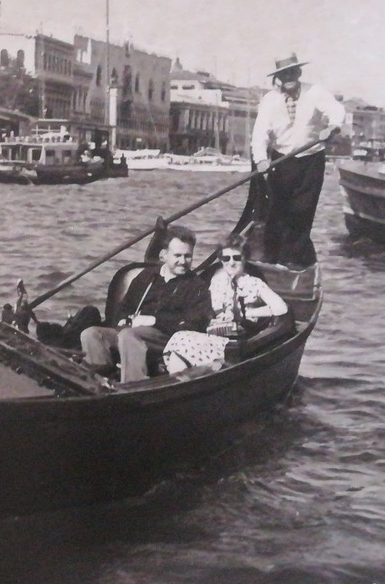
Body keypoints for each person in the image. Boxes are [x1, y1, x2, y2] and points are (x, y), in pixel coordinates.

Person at [247, 53, 348, 268]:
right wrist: (261, 160)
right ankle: (272, 259)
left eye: (292, 72)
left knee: (303, 211)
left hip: (311, 160)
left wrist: (332, 127)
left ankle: (294, 261)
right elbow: (259, 135)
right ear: (278, 77)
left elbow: (337, 111)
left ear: (299, 73)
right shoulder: (269, 100)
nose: (288, 76)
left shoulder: (315, 92)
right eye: (284, 73)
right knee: (277, 210)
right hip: (281, 161)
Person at [80, 225, 210, 383]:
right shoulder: (146, 277)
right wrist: (123, 319)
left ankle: (132, 386)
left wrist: (155, 321)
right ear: (164, 255)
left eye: (187, 256)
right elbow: (124, 308)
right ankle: (97, 381)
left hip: (167, 338)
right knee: (91, 334)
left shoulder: (196, 286)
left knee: (129, 335)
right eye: (177, 255)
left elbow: (196, 324)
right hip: (130, 332)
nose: (183, 261)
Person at [163, 235, 290, 373]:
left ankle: (185, 382)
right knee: (179, 342)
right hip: (213, 334)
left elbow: (281, 308)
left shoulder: (254, 283)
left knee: (181, 340)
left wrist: (248, 313)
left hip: (237, 341)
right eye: (226, 258)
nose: (231, 263)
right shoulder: (216, 280)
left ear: (244, 258)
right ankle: (178, 383)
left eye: (236, 258)